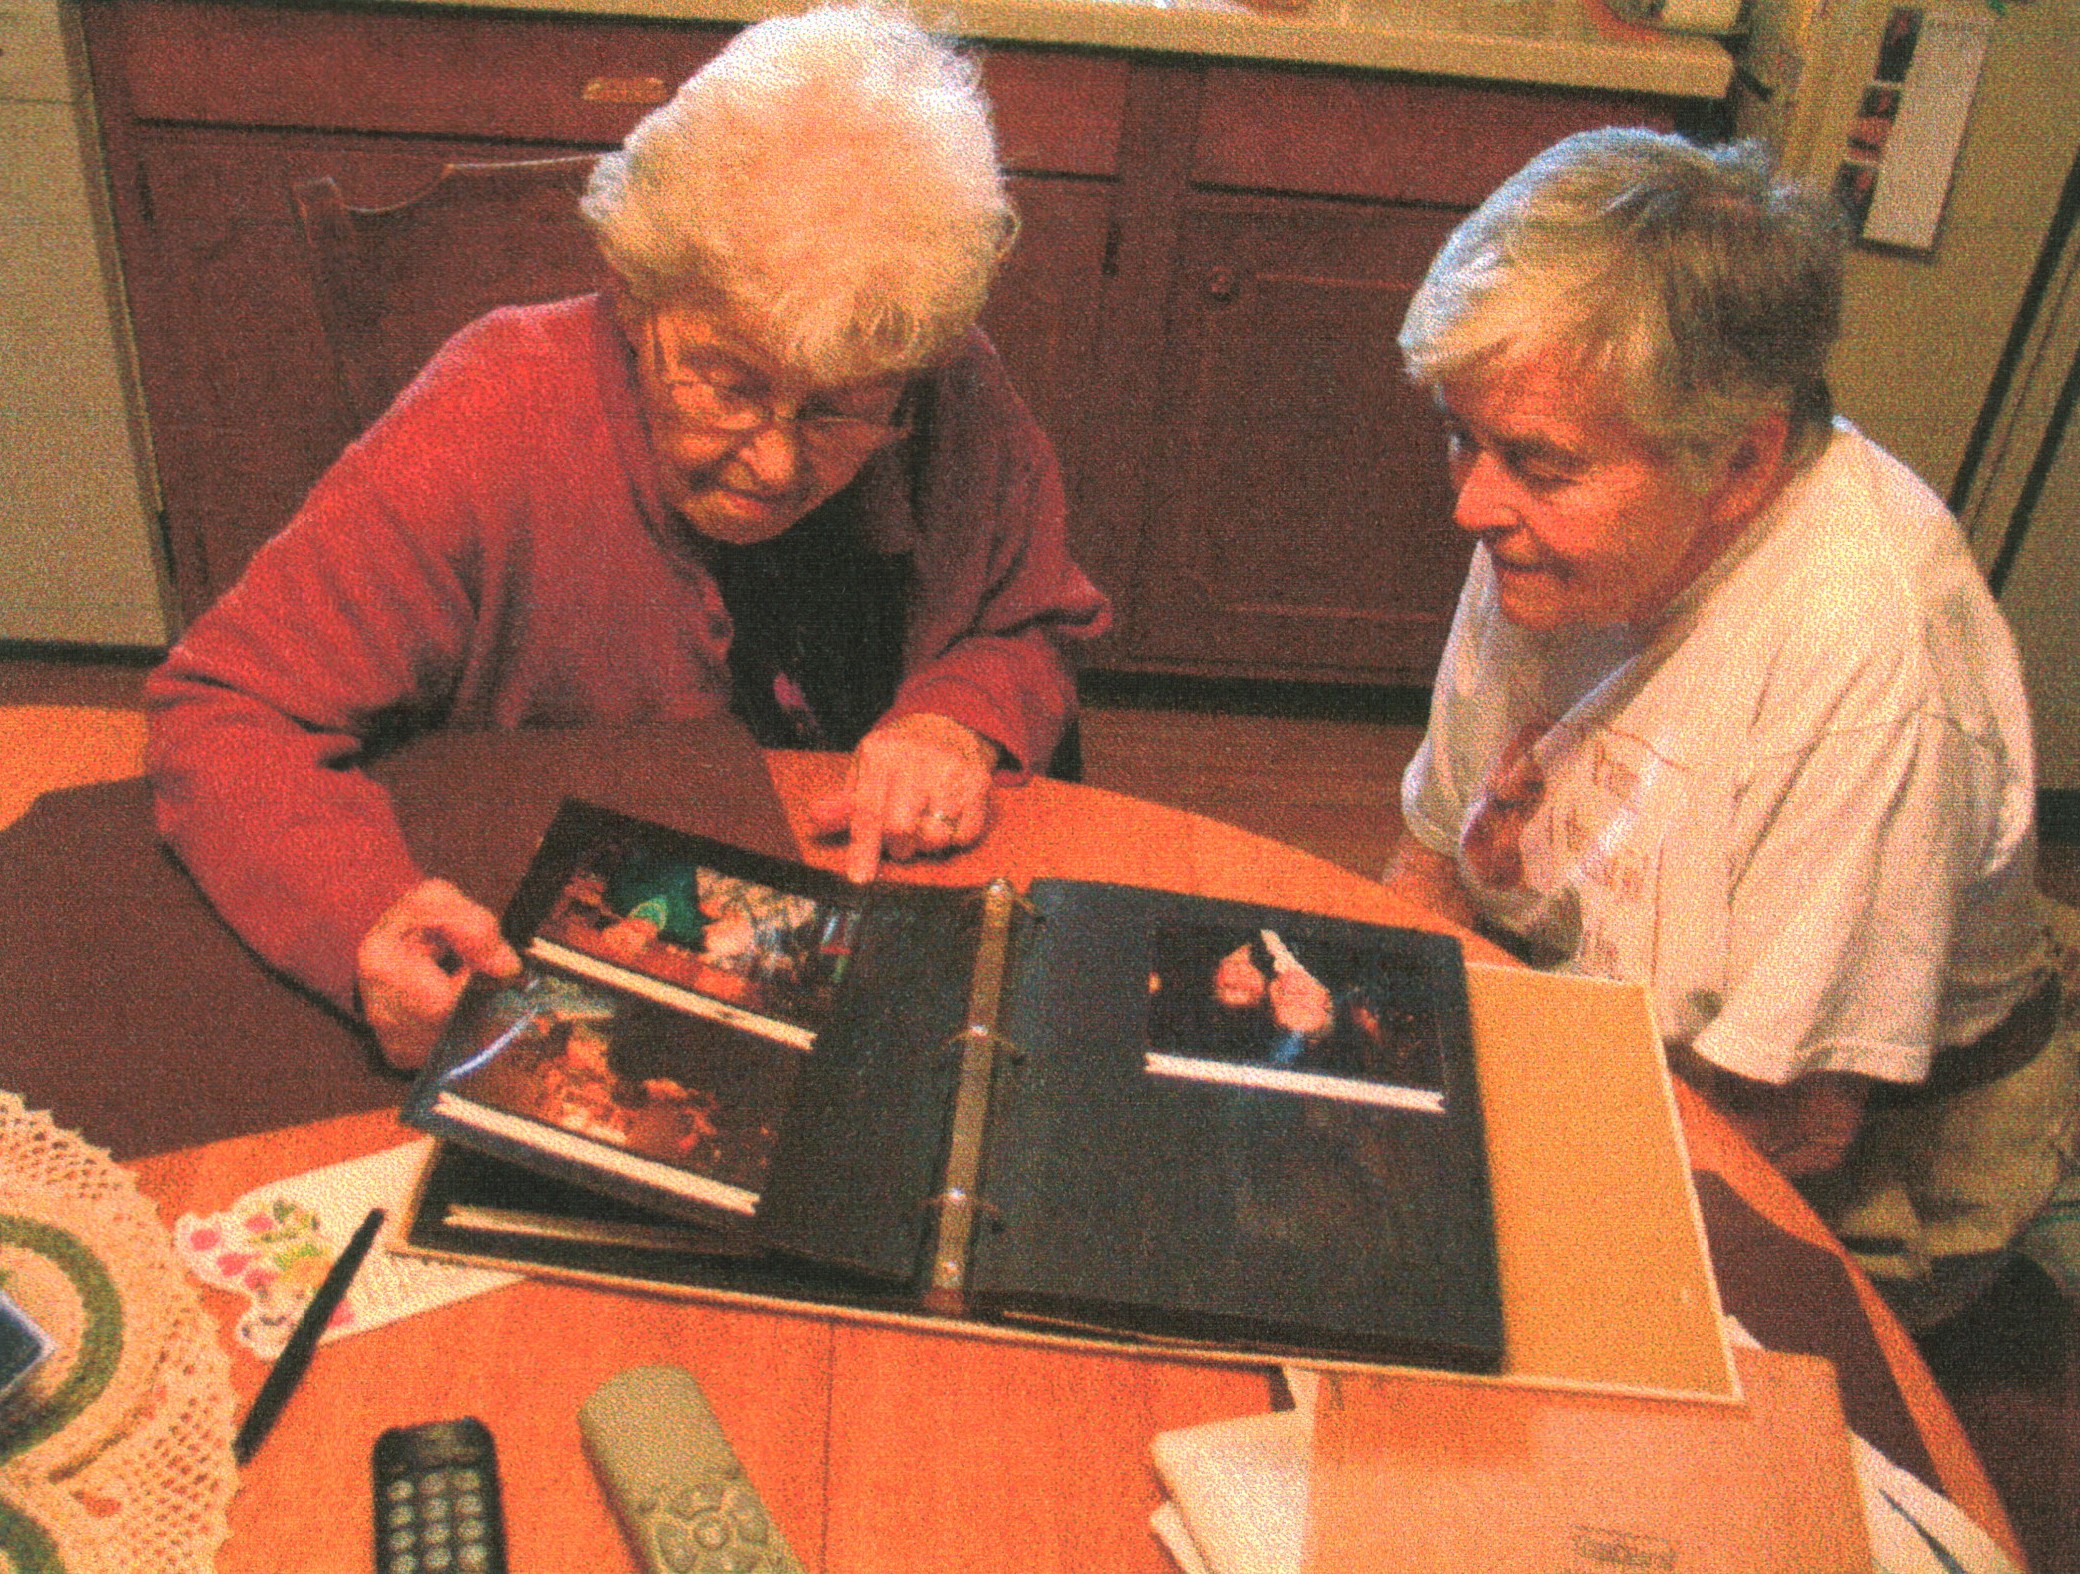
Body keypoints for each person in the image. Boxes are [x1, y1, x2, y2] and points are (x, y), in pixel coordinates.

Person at [144, 6, 1111, 1070]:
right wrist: (362, 917)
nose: (779, 465)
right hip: (575, 989)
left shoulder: (945, 380)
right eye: (730, 384)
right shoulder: (492, 412)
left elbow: (1032, 617)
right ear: (637, 293)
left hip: (859, 950)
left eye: (839, 411)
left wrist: (954, 721)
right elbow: (229, 709)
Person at [1382, 127, 2077, 1324]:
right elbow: (1435, 860)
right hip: (1613, 1023)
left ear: (1741, 464)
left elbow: (1786, 1123)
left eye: (1534, 464)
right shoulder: (1548, 520)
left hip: (1859, 1164)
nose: (1469, 502)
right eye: (1461, 436)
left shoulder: (1872, 666)